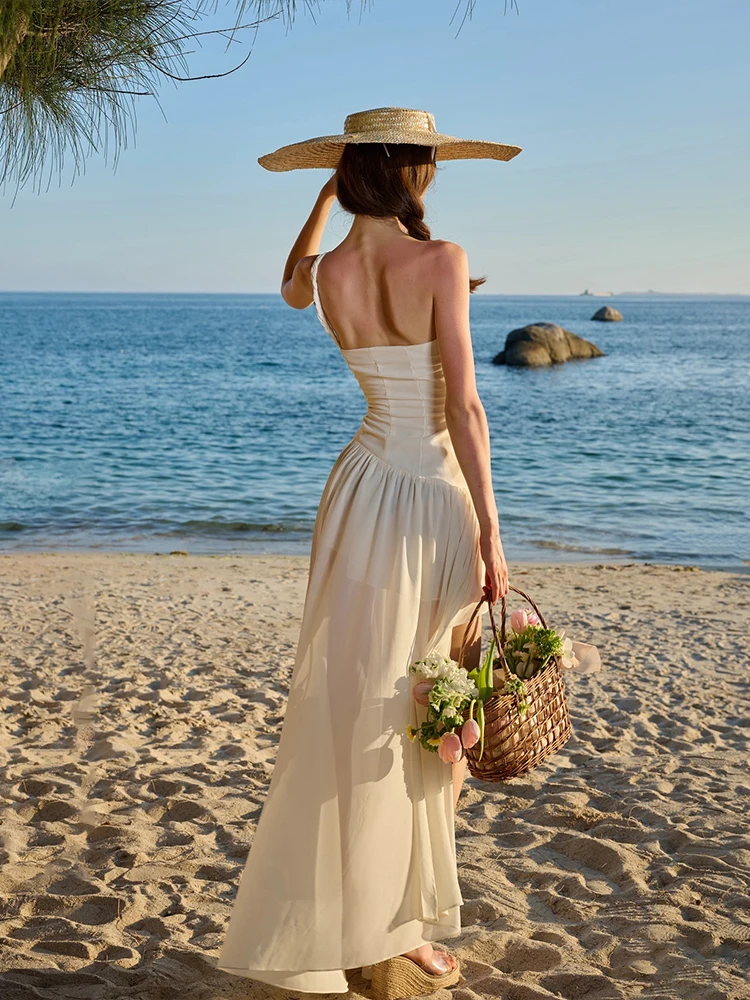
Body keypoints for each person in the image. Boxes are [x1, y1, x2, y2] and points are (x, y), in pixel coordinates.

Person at [217, 107, 521, 998]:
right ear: (412, 173)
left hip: (357, 488)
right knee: (440, 701)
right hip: (431, 493)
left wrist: (320, 204)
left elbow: (287, 284)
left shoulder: (332, 270)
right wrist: (494, 528)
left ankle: (382, 912)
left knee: (366, 697)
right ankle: (406, 922)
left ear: (353, 174)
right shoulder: (443, 260)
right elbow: (464, 408)